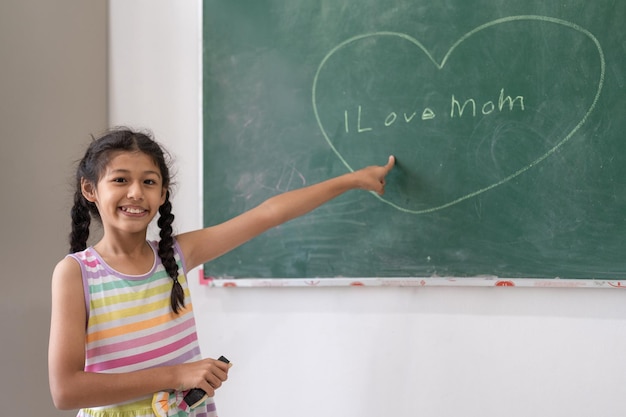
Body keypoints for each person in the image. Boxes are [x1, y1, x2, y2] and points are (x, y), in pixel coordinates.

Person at [48, 127, 395, 417]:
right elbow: (65, 391)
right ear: (90, 189)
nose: (136, 193)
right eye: (121, 180)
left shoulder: (176, 256)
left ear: (163, 193)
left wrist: (352, 180)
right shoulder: (76, 273)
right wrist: (176, 375)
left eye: (149, 182)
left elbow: (269, 213)